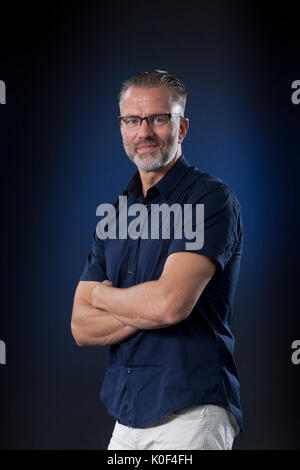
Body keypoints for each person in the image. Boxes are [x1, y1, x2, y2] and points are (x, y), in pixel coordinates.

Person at [71, 69, 243, 450]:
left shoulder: (209, 200)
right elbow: (80, 327)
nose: (143, 132)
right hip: (126, 415)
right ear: (122, 127)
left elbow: (169, 305)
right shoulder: (115, 216)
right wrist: (144, 304)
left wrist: (101, 296)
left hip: (190, 414)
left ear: (181, 127)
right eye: (132, 120)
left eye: (158, 119)